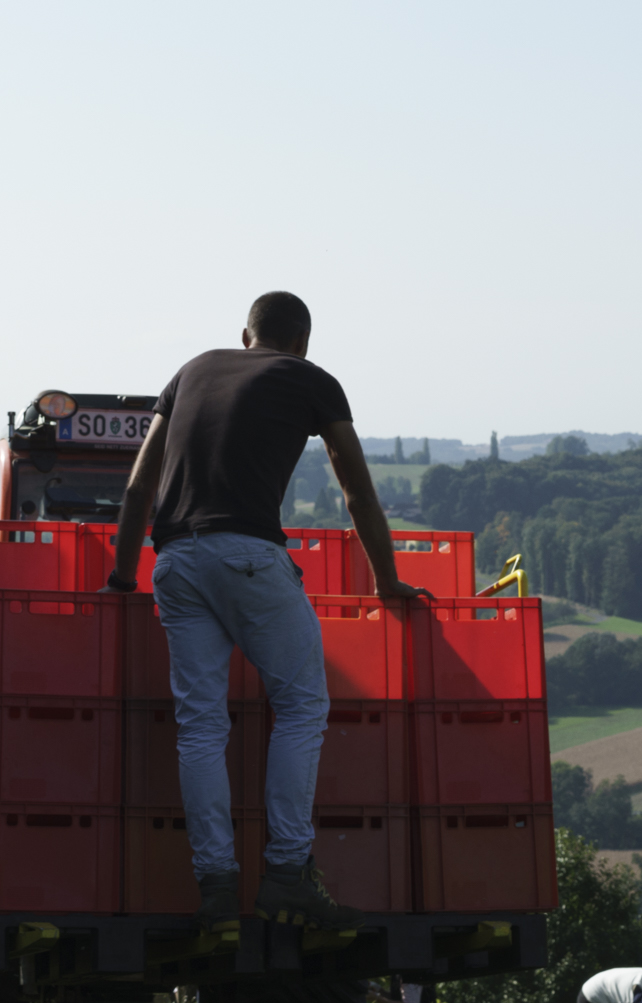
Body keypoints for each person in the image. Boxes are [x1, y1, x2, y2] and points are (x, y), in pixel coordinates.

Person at [107, 291, 429, 934]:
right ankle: (286, 875)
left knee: (200, 726)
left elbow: (140, 485)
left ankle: (216, 888)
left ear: (245, 335)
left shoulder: (192, 370)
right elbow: (356, 490)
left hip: (175, 562)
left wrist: (121, 577)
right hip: (248, 556)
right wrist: (387, 579)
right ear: (302, 342)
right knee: (302, 705)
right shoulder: (311, 379)